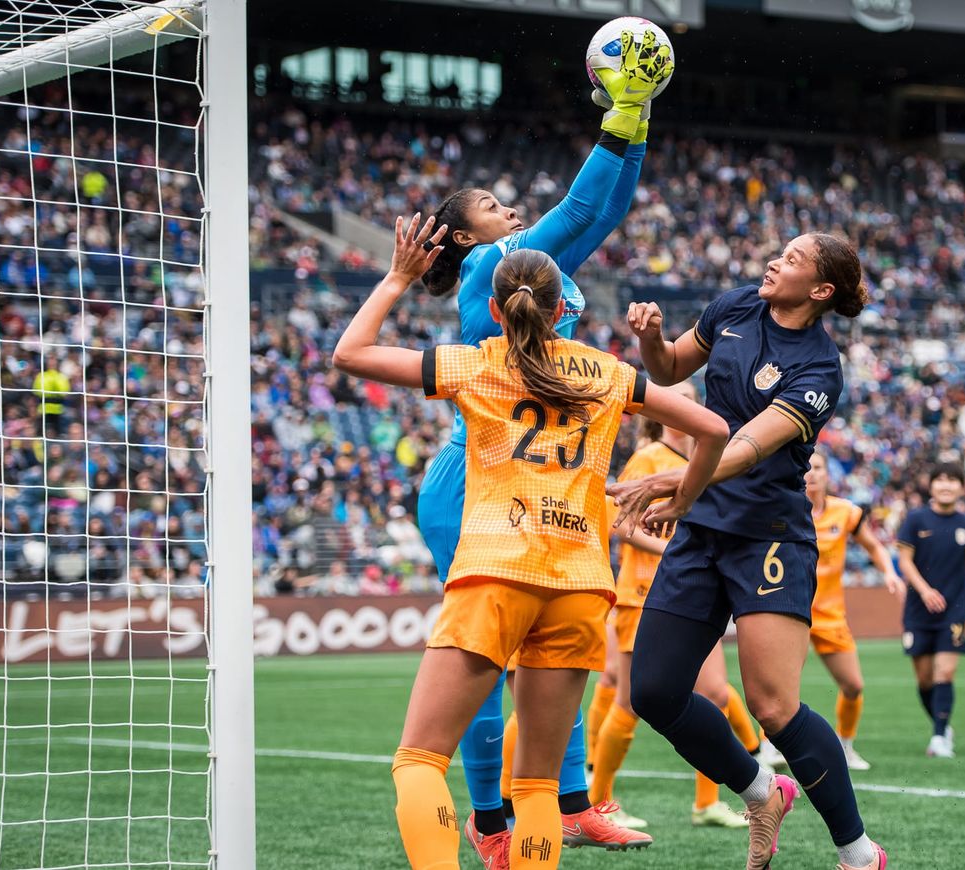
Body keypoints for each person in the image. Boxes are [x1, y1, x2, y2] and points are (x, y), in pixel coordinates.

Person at [332, 226, 727, 870]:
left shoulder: (475, 361)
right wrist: (681, 498)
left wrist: (400, 277)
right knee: (540, 783)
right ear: (561, 309)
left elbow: (350, 354)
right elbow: (712, 428)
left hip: (496, 569)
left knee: (419, 761)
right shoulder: (607, 373)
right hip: (579, 582)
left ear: (495, 308)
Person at [414, 28, 672, 860]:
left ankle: (570, 805)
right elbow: (583, 208)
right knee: (493, 666)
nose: (509, 211)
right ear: (463, 239)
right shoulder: (498, 267)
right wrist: (619, 117)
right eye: (490, 206)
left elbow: (607, 210)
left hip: (540, 481)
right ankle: (493, 827)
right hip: (477, 488)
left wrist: (634, 125)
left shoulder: (528, 273)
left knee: (554, 660)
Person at [609, 233, 887, 870]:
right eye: (779, 252)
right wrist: (651, 337)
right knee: (652, 692)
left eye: (791, 260)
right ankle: (763, 791)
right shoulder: (735, 306)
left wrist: (677, 480)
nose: (773, 262)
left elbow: (747, 447)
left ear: (820, 292)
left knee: (773, 707)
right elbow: (671, 369)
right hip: (703, 527)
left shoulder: (820, 368)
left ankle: (858, 851)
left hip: (768, 536)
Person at [588, 399, 759, 830]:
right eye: (680, 401)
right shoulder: (648, 458)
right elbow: (619, 523)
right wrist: (674, 552)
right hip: (644, 594)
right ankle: (598, 803)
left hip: (693, 593)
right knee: (628, 700)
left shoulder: (704, 460)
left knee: (716, 694)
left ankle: (707, 802)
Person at [764, 451, 903, 772]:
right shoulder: (784, 507)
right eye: (807, 467)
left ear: (829, 474)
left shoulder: (846, 513)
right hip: (789, 610)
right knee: (778, 686)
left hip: (830, 615)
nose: (812, 473)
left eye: (819, 467)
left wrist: (889, 572)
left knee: (853, 685)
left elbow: (873, 546)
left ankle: (845, 746)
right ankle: (769, 747)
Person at [895, 462, 965, 759]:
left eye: (953, 480)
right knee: (924, 680)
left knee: (944, 673)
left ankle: (939, 737)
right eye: (940, 480)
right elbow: (905, 562)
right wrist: (924, 591)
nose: (946, 485)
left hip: (956, 610)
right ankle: (942, 725)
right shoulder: (915, 519)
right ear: (931, 485)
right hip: (918, 611)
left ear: (962, 487)